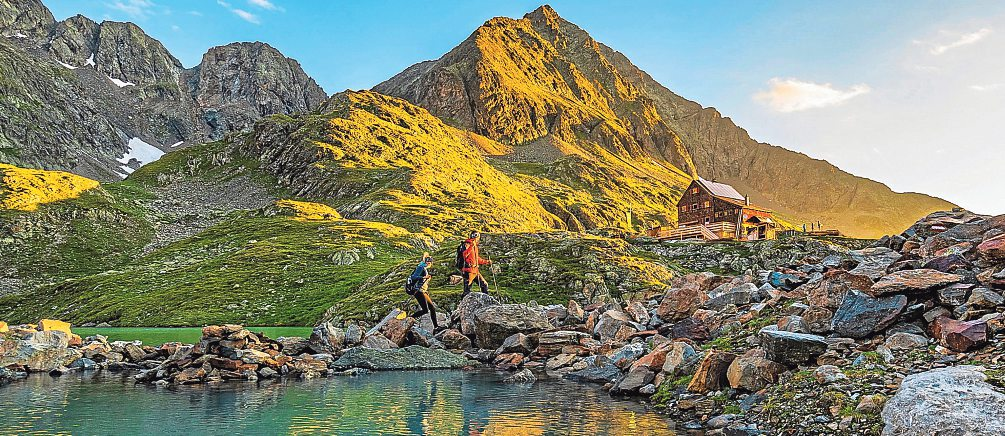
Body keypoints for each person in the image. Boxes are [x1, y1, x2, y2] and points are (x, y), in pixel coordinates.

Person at [407, 252, 440, 331]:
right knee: (425, 310)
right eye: (428, 262)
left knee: (432, 308)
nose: (429, 263)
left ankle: (436, 327)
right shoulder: (420, 267)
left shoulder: (423, 267)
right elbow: (413, 277)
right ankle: (408, 320)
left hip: (422, 291)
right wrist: (424, 277)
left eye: (430, 262)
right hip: (418, 291)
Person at [460, 231, 491, 296]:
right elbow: (465, 255)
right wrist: (471, 246)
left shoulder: (474, 246)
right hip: (468, 271)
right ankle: (464, 305)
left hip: (475, 270)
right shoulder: (467, 244)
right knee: (467, 290)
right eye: (478, 237)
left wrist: (486, 262)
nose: (478, 239)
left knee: (484, 285)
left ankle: (486, 302)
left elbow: (476, 258)